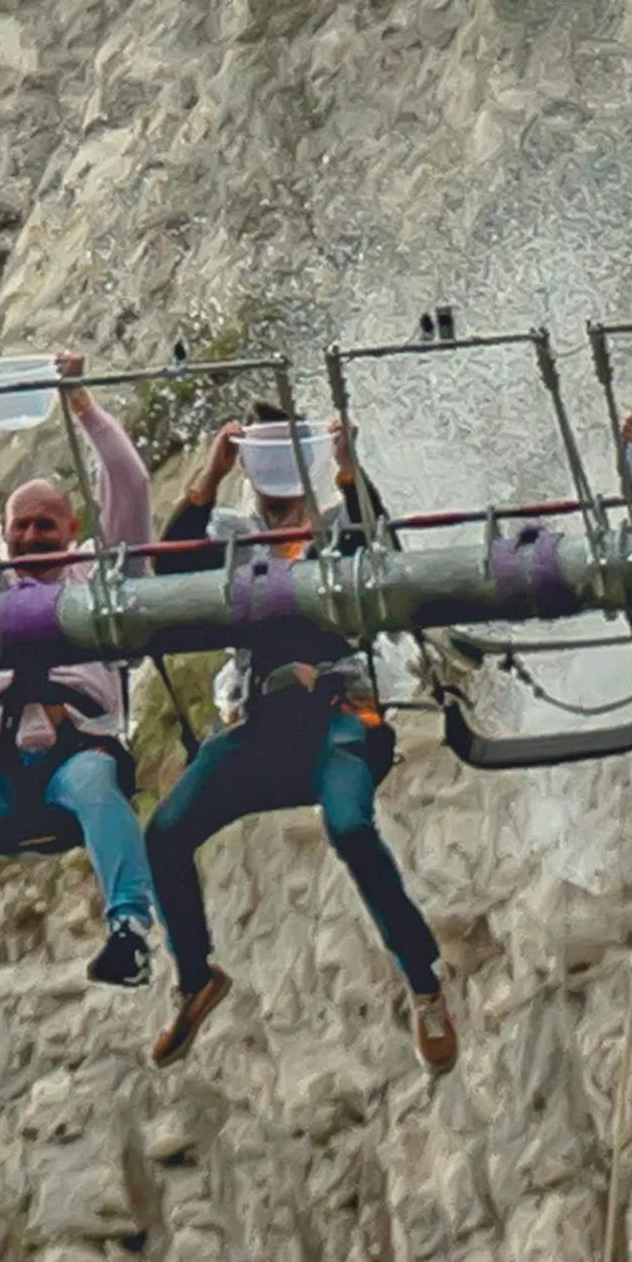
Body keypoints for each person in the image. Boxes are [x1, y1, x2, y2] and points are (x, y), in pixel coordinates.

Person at [144, 408, 457, 1075]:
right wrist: (207, 477)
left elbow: (386, 556)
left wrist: (349, 468)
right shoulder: (236, 533)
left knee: (349, 825)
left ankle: (423, 979)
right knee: (166, 830)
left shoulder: (338, 520)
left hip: (340, 711)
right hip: (264, 722)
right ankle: (195, 974)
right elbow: (166, 574)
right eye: (264, 459)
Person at [0, 350, 157, 1045]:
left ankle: (130, 927)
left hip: (77, 757)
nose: (34, 536)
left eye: (48, 525)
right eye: (23, 526)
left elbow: (129, 488)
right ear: (4, 534)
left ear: (72, 530)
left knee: (99, 783)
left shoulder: (99, 582)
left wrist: (81, 403)